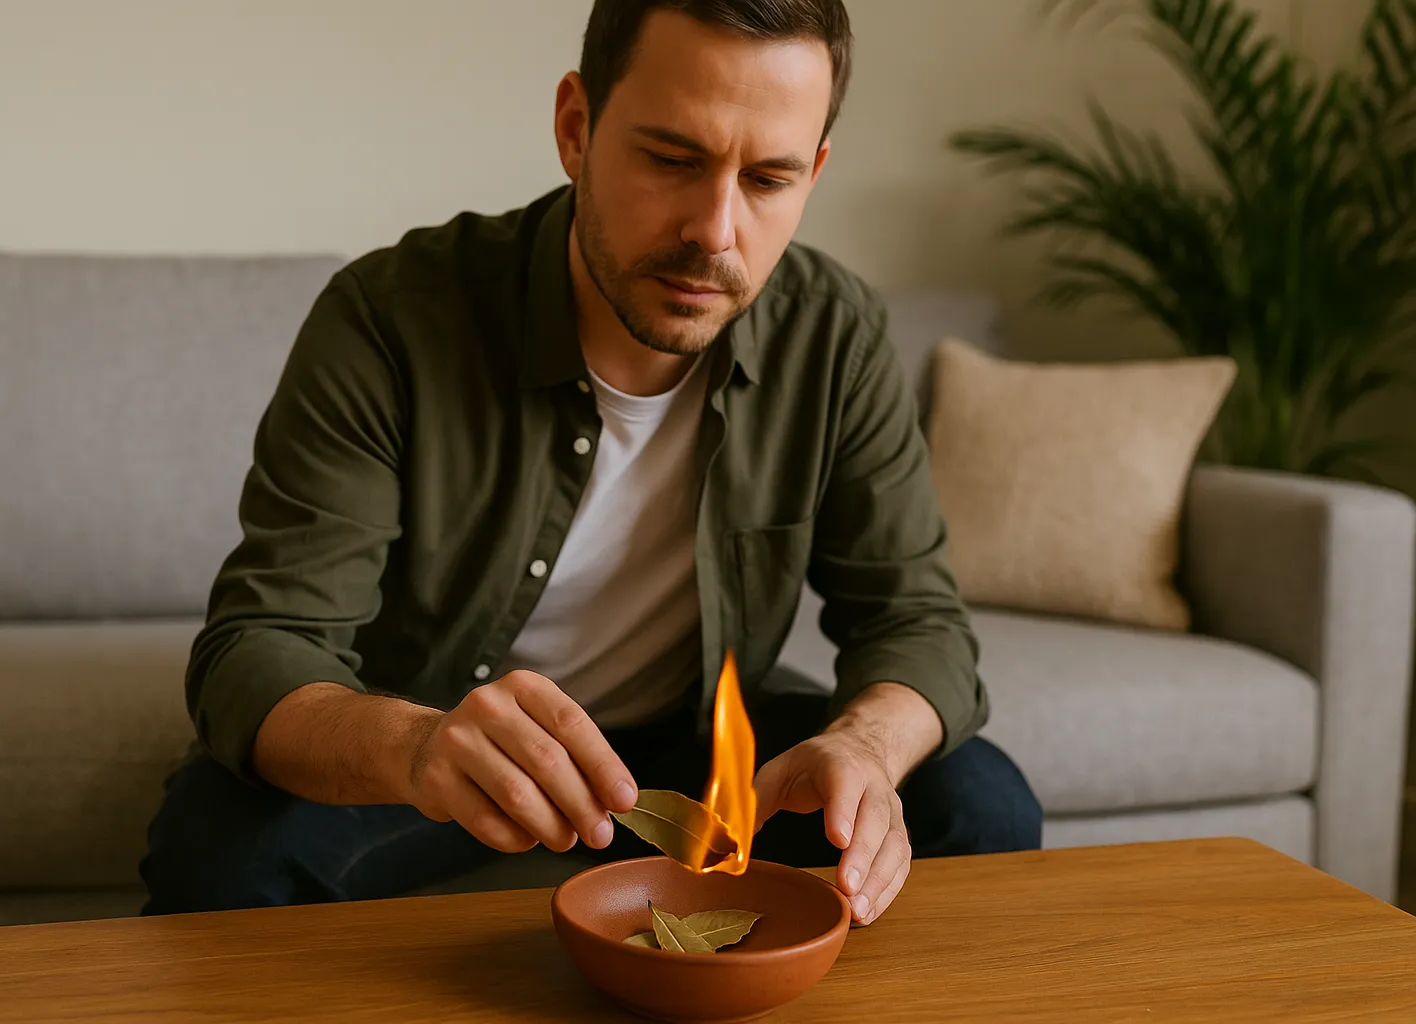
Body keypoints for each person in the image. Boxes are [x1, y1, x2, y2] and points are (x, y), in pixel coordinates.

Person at [140, 0, 1040, 927]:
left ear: (813, 172)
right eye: (672, 160)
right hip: (450, 744)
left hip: (698, 741)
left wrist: (865, 745)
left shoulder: (835, 335)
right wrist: (416, 745)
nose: (715, 231)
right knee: (216, 855)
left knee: (981, 806)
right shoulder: (390, 320)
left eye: (768, 178)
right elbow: (256, 648)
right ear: (577, 128)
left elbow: (917, 621)